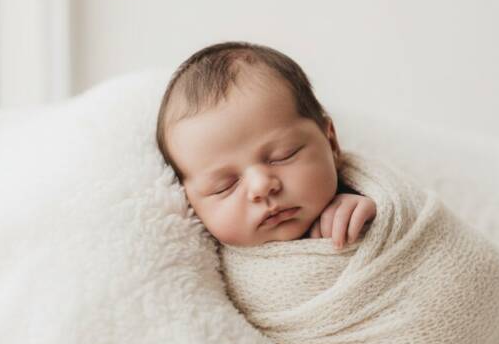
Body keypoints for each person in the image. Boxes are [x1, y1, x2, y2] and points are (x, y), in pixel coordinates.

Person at [155, 41, 376, 248]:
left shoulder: (368, 203)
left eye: (284, 155)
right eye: (224, 186)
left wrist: (374, 221)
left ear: (331, 143)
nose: (261, 186)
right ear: (189, 201)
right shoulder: (199, 258)